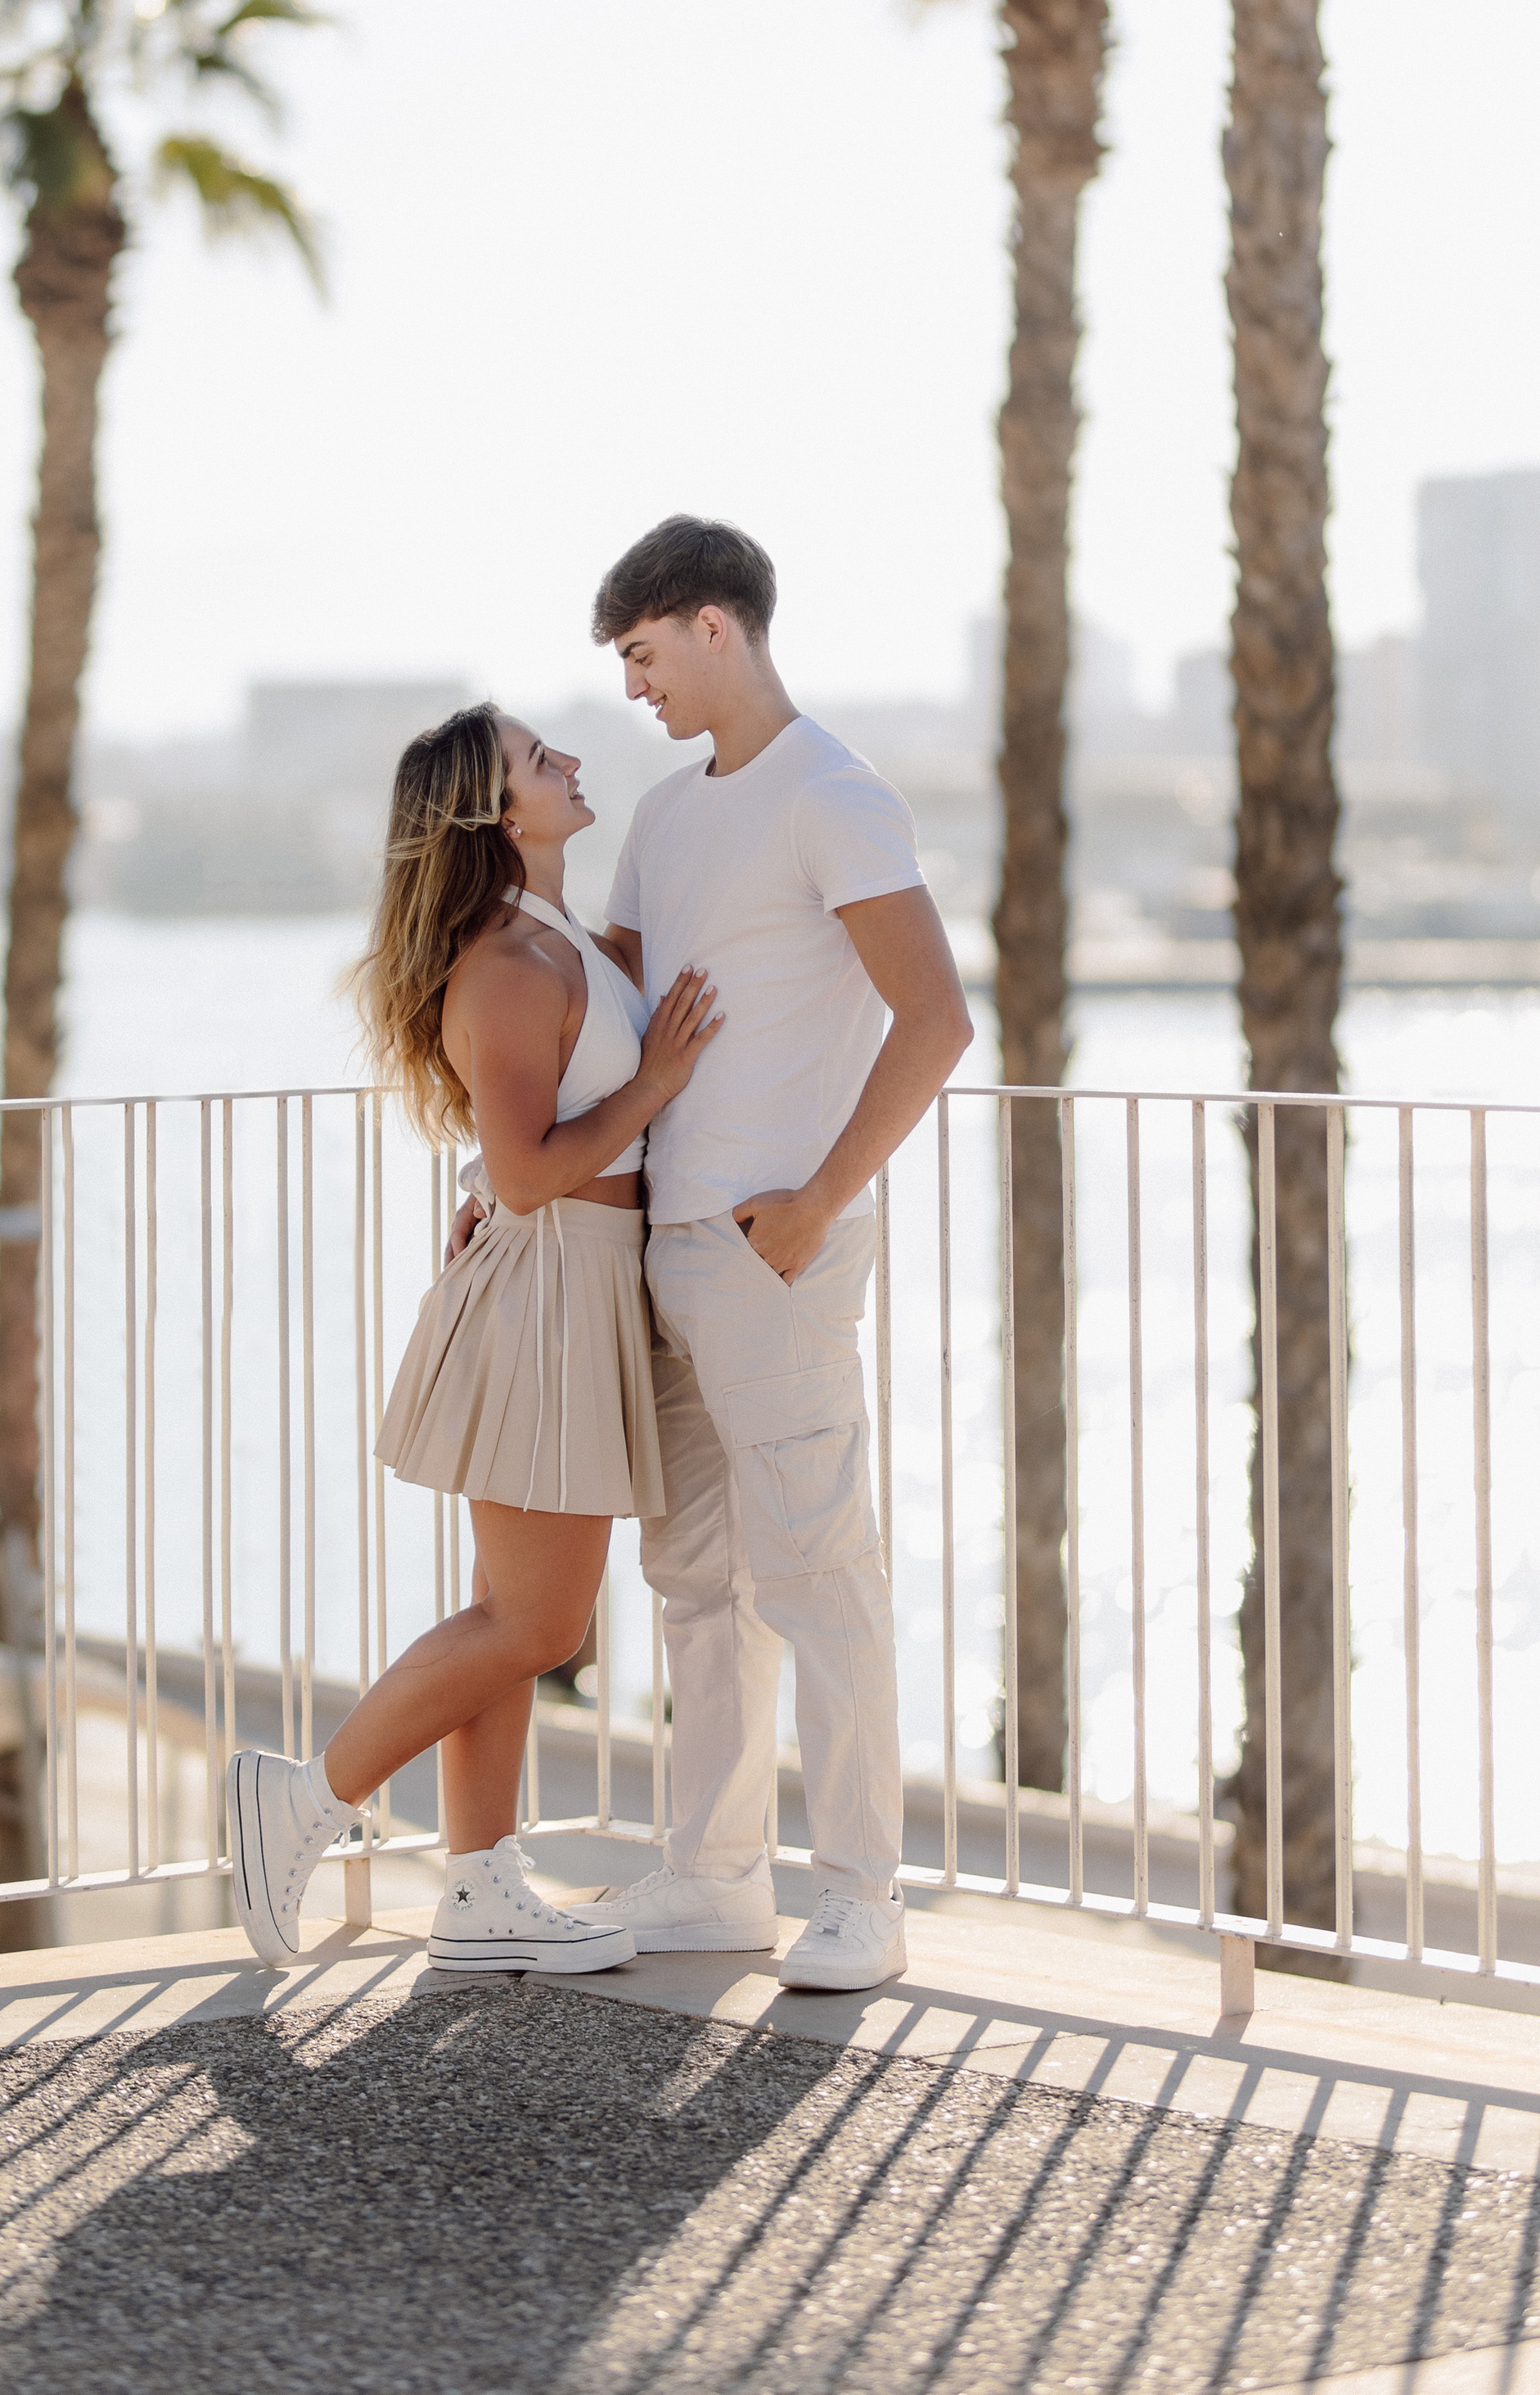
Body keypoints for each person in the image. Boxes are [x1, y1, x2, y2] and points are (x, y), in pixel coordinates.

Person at [226, 698, 723, 1974]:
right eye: (533, 759)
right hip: (550, 1290)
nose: (565, 758)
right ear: (500, 814)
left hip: (579, 1285)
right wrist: (656, 1086)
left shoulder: (561, 937)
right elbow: (522, 1173)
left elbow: (513, 1155)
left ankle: (478, 1890)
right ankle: (307, 1800)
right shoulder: (508, 963)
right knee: (540, 1629)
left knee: (508, 1610)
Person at [572, 515, 971, 1991]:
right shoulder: (667, 815)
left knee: (819, 1574)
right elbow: (611, 1017)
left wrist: (813, 1205)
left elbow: (935, 1022)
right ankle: (714, 1877)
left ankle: (863, 1893)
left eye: (645, 653)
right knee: (694, 1583)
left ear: (715, 628)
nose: (635, 688)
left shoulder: (836, 796)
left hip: (770, 1252)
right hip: (662, 1243)